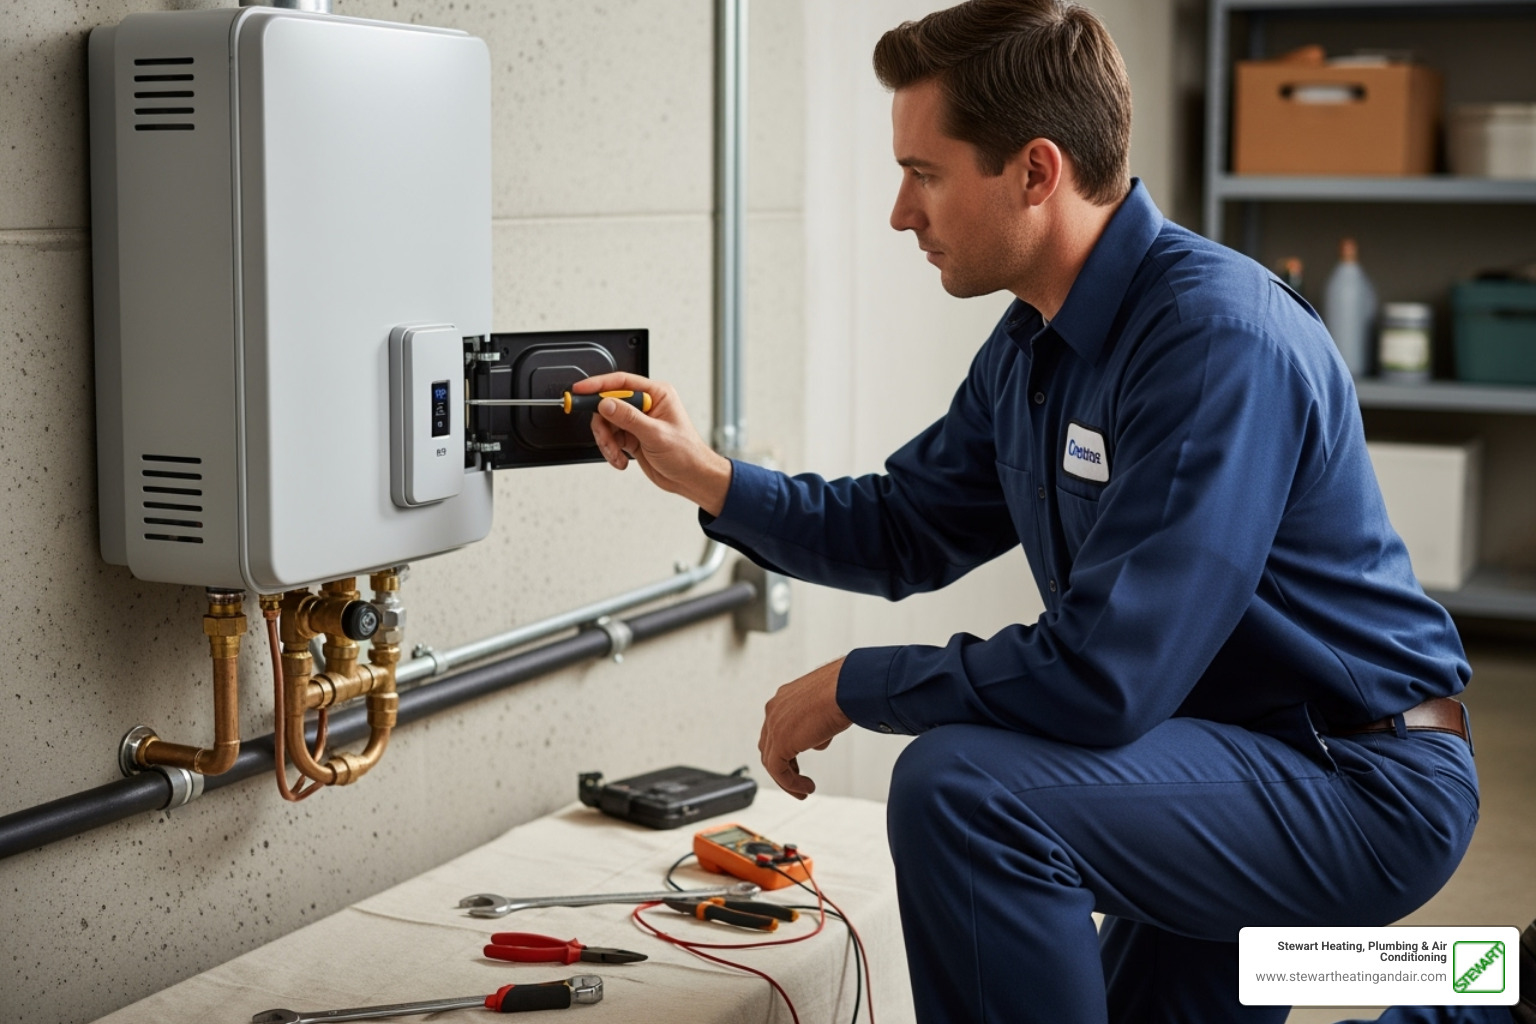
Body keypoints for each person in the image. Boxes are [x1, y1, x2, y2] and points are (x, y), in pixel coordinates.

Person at [576, 2, 1528, 1021]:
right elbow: (906, 524)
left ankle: (1475, 1000)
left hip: (1354, 779)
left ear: (1036, 172)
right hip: (1212, 757)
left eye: (924, 173)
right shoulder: (1035, 343)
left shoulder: (1213, 343)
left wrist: (863, 682)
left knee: (967, 793)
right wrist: (710, 478)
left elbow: (1106, 675)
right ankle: (1480, 999)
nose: (901, 212)